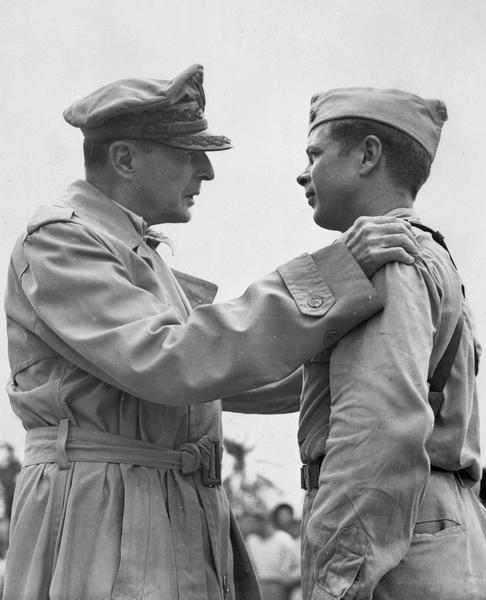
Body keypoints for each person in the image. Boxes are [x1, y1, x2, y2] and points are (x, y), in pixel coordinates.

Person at [3, 65, 418, 600]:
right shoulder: (62, 241)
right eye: (187, 153)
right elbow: (174, 362)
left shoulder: (131, 251)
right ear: (124, 158)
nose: (206, 172)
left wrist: (351, 355)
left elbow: (222, 378)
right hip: (102, 513)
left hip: (151, 504)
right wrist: (329, 277)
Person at [296, 87, 486, 599]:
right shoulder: (427, 251)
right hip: (427, 526)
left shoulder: (384, 258)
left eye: (314, 155)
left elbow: (377, 432)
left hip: (392, 546)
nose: (302, 173)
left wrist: (338, 581)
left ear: (368, 155)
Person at [246, 511, 300, 600]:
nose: (250, 526)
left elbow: (300, 565)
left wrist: (291, 579)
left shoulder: (283, 539)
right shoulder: (251, 540)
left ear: (264, 522)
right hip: (259, 586)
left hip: (279, 587)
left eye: (253, 523)